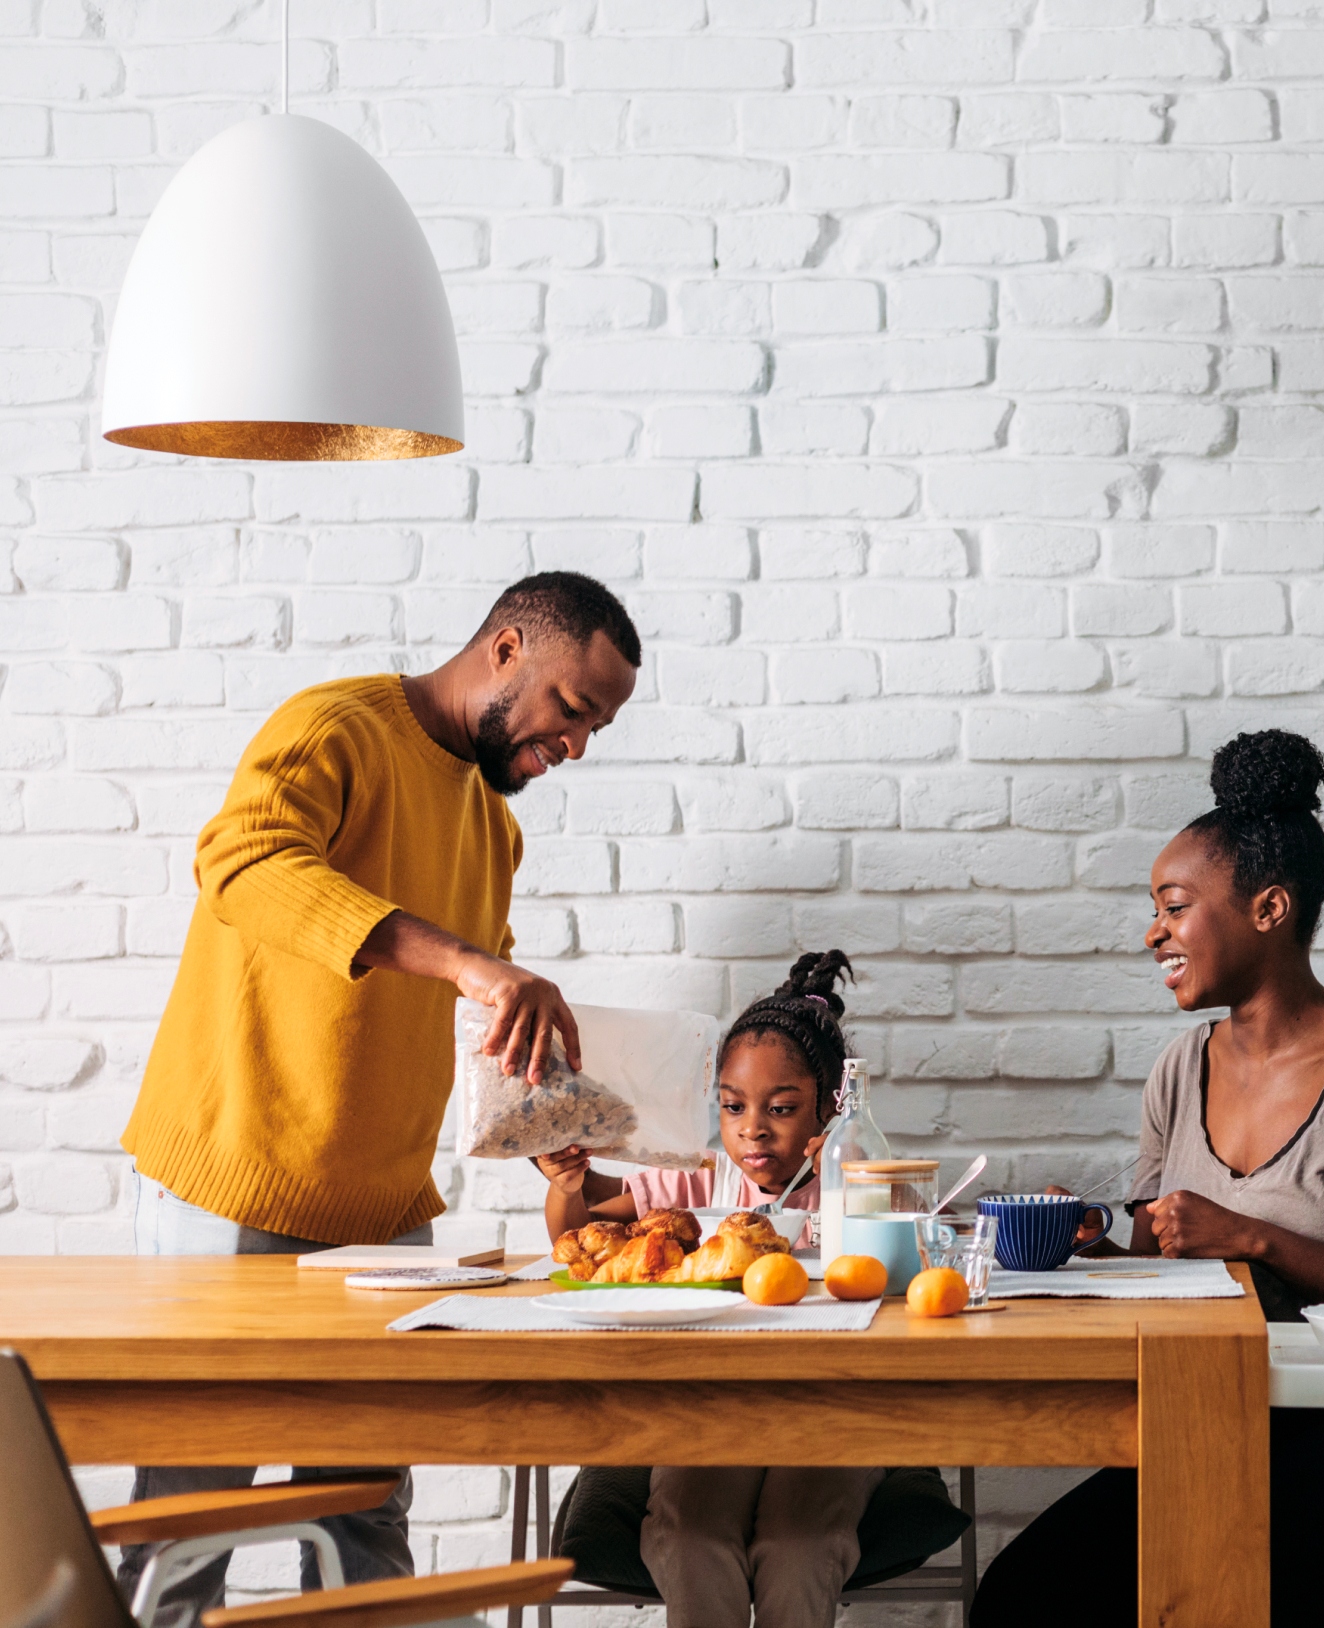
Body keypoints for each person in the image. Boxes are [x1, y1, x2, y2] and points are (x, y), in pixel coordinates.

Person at [116, 572, 641, 1628]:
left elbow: (472, 1002)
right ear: (506, 648)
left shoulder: (493, 827)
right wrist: (472, 963)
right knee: (191, 1513)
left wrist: (544, 1121)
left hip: (385, 1210)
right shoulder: (336, 729)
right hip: (233, 1179)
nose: (578, 745)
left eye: (598, 727)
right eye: (573, 708)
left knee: (366, 1508)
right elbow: (244, 863)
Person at [972, 729, 1324, 1628]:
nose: (1153, 932)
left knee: (1207, 1601)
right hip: (1199, 1419)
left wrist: (1253, 1238)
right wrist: (1087, 1249)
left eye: (1174, 906)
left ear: (1270, 908)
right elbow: (1158, 1274)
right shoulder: (1179, 1068)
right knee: (1018, 1599)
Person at [538, 951, 883, 1628]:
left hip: (829, 1414)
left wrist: (852, 1177)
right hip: (706, 1412)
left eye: (782, 1108)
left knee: (798, 1547)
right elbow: (579, 1237)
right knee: (690, 1537)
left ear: (829, 1109)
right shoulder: (698, 1180)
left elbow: (906, 1268)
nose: (752, 1128)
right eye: (732, 1107)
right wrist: (567, 1185)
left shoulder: (856, 1184)